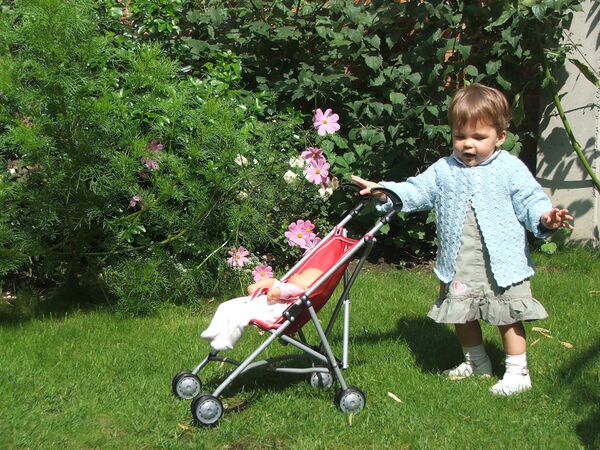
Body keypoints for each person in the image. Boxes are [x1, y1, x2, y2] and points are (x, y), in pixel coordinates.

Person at [352, 83, 573, 396]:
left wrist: (545, 217)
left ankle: (518, 373)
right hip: (460, 260)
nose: (468, 144)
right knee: (462, 312)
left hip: (502, 263)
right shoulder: (444, 169)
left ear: (500, 136)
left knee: (507, 314)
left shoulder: (510, 169)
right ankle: (476, 363)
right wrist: (385, 192)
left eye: (479, 137)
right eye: (460, 136)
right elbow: (417, 190)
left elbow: (531, 200)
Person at [201, 268, 323, 351]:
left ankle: (227, 342)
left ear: (308, 286)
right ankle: (213, 331)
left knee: (239, 316)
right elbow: (272, 282)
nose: (296, 274)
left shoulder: (298, 290)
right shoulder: (287, 284)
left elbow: (286, 290)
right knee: (225, 306)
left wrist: (276, 292)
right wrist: (257, 285)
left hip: (269, 313)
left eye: (301, 275)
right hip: (256, 304)